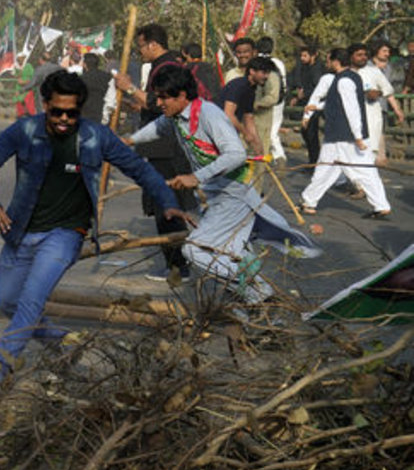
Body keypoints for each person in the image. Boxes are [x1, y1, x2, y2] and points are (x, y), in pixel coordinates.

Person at [0, 70, 186, 394]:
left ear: (80, 110)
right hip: (20, 232)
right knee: (9, 303)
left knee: (32, 299)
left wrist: (167, 201)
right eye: (56, 111)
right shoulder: (25, 131)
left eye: (71, 113)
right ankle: (65, 342)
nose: (63, 119)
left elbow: (139, 169)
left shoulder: (96, 137)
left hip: (65, 234)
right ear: (45, 105)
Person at [130, 65, 321, 304]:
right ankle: (257, 303)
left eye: (163, 97)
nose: (158, 102)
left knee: (195, 250)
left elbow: (236, 154)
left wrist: (195, 177)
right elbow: (158, 127)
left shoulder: (208, 114)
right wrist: (127, 139)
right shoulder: (177, 117)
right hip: (214, 196)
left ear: (181, 95)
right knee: (228, 252)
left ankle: (259, 294)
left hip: (232, 193)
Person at [112, 23, 198, 282]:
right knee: (165, 202)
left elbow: (160, 103)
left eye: (141, 46)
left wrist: (128, 87)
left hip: (168, 147)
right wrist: (140, 106)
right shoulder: (162, 66)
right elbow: (155, 105)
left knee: (166, 203)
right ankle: (177, 262)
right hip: (163, 142)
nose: (140, 52)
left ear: (152, 44)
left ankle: (178, 266)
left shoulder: (167, 67)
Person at [299, 46, 392, 218]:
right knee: (327, 170)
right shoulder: (349, 78)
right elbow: (338, 104)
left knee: (360, 171)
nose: (327, 63)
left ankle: (380, 204)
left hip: (343, 136)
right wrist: (318, 106)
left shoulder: (344, 81)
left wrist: (357, 136)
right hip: (341, 136)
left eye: (329, 59)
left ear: (336, 61)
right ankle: (309, 201)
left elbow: (352, 109)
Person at [360, 39, 405, 163]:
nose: (387, 54)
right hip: (366, 107)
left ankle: (379, 158)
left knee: (380, 132)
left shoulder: (390, 68)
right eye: (384, 51)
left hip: (382, 107)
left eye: (388, 51)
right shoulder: (366, 67)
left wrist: (397, 109)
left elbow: (389, 90)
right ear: (376, 51)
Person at [292, 46, 324, 164]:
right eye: (301, 56)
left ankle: (314, 162)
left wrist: (305, 93)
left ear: (313, 55)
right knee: (305, 132)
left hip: (314, 105)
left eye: (305, 56)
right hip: (305, 103)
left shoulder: (317, 70)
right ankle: (312, 160)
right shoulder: (304, 68)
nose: (302, 58)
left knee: (311, 134)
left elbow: (318, 89)